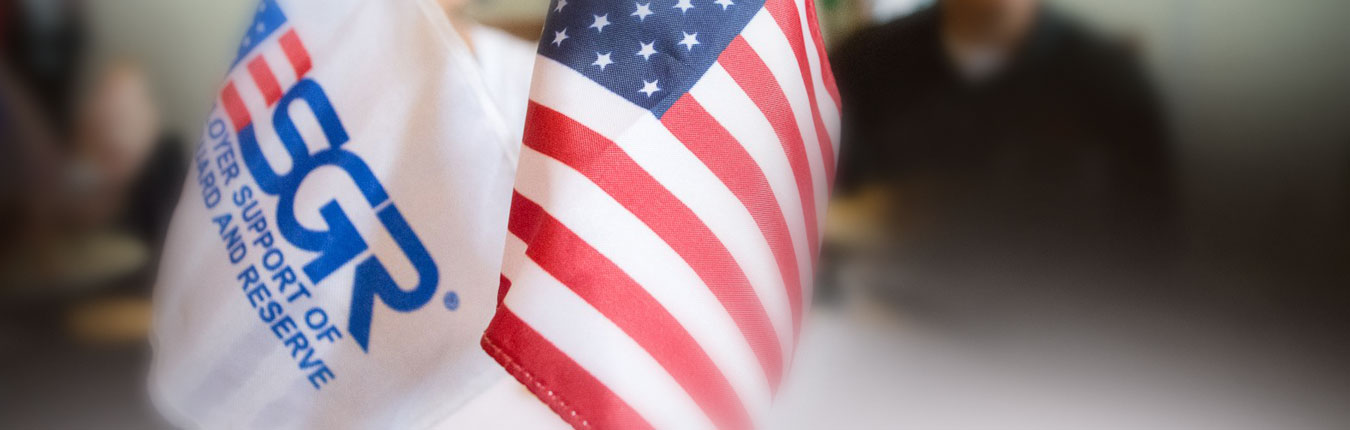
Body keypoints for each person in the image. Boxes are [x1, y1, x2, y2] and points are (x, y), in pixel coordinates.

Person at [829, 0, 1177, 288]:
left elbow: (1155, 262)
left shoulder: (1111, 86)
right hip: (882, 339)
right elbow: (816, 229)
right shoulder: (861, 67)